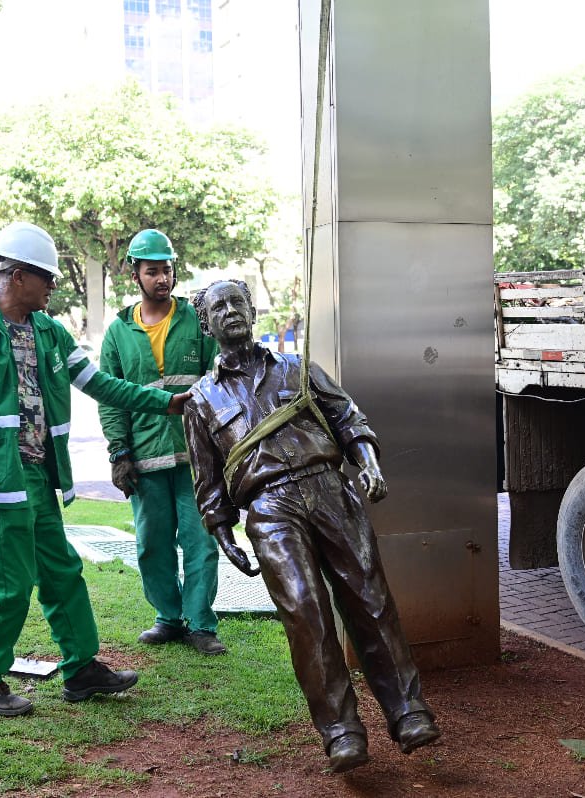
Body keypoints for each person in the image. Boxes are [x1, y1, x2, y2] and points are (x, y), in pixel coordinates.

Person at [0, 221, 190, 717]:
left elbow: (103, 385)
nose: (53, 287)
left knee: (63, 572)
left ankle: (82, 669)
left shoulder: (48, 331)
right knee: (10, 580)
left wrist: (167, 403)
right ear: (19, 276)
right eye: (47, 278)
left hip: (40, 478)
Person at [182, 279, 441, 773]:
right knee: (305, 612)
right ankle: (341, 732)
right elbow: (207, 478)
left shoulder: (297, 368)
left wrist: (369, 462)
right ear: (205, 322)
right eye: (219, 306)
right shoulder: (201, 399)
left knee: (370, 599)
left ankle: (408, 712)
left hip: (329, 488)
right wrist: (221, 530)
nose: (231, 311)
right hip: (269, 507)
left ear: (253, 311)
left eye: (238, 302)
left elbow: (348, 418)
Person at [98, 229, 224, 655]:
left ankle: (201, 624)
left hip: (197, 455)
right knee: (151, 544)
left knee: (201, 538)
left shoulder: (197, 320)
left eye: (167, 270)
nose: (162, 279)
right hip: (145, 456)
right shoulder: (117, 332)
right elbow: (110, 398)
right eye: (152, 271)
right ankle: (168, 618)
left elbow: (221, 382)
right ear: (134, 273)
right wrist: (119, 453)